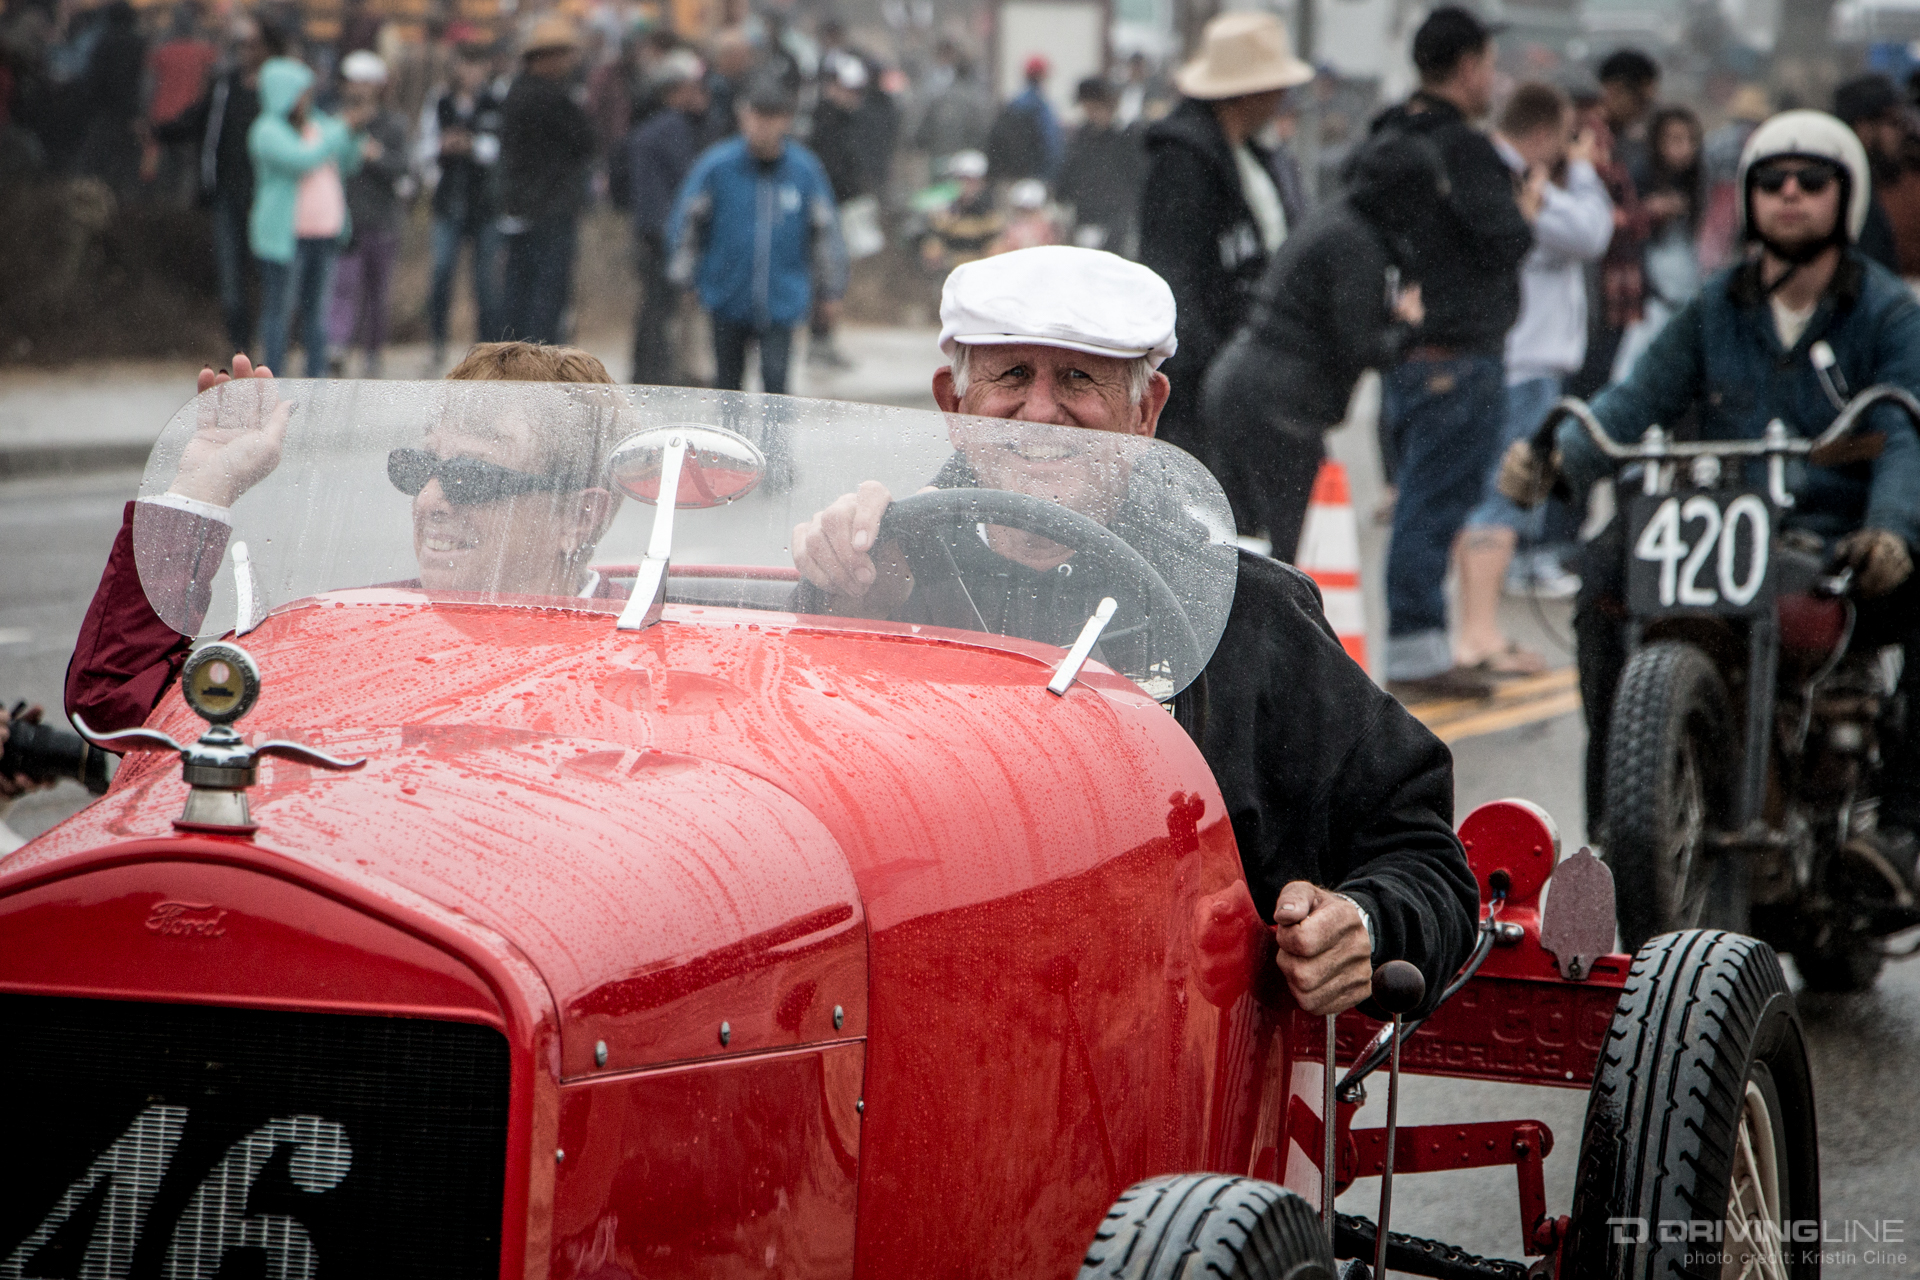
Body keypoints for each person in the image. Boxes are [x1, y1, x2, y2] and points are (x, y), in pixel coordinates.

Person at [789, 245, 1479, 1017]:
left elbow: (1423, 858)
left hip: (1162, 1055)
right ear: (954, 405)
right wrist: (837, 596)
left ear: (1146, 410)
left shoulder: (1246, 615)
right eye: (1012, 375)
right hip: (917, 1033)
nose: (1042, 412)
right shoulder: (874, 582)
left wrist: (1363, 924)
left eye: (1079, 379)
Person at [1499, 110, 1920, 873]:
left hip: (1840, 538)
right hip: (1719, 523)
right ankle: (1621, 817)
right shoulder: (1715, 305)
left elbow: (1902, 430)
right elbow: (1632, 404)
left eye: (1811, 180)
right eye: (1771, 181)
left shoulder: (1888, 312)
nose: (1790, 193)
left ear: (1845, 196)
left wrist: (1892, 528)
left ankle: (1900, 826)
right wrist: (1556, 463)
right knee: (1600, 576)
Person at [66, 342, 625, 739]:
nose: (430, 501)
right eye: (420, 467)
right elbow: (117, 708)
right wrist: (202, 487)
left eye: (474, 475)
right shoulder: (361, 630)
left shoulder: (644, 672)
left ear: (579, 515)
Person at [1368, 6, 1533, 702]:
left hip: (1407, 353)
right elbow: (1508, 239)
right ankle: (1416, 651)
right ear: (1466, 68)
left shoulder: (1386, 135)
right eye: (1489, 65)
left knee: (1420, 499)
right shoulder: (1464, 148)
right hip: (1459, 356)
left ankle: (1418, 644)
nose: (1493, 80)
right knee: (1434, 507)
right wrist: (1522, 201)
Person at [1200, 130, 1439, 559]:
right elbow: (1358, 344)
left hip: (1246, 387)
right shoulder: (1357, 242)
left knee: (1240, 544)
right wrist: (1411, 328)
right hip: (1276, 403)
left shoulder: (1339, 221)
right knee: (1294, 545)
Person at [1452, 82, 1612, 675]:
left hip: (1515, 359)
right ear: (1546, 132)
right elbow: (1594, 232)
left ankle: (1475, 631)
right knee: (1504, 497)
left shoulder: (1507, 178)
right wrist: (1585, 171)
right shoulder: (1523, 182)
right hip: (1526, 364)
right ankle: (1479, 635)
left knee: (1490, 496)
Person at [1136, 10, 1312, 486]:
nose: (1282, 98)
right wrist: (1211, 372)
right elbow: (1174, 277)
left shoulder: (1255, 154)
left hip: (1255, 373)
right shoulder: (1183, 162)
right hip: (1207, 384)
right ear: (1250, 91)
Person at [667, 75, 846, 395]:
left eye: (772, 117)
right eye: (756, 115)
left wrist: (830, 291)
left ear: (786, 120)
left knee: (776, 387)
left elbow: (825, 234)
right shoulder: (716, 167)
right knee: (727, 390)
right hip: (726, 295)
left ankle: (773, 447)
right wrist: (685, 279)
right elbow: (687, 224)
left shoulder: (805, 171)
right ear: (742, 115)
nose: (762, 125)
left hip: (782, 300)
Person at [154, 15, 280, 354]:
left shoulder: (277, 91)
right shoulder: (225, 87)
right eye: (241, 45)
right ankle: (240, 345)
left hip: (266, 199)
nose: (245, 52)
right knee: (230, 277)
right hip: (227, 195)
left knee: (267, 278)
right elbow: (197, 120)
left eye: (252, 45)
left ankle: (273, 345)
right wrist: (158, 131)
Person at [248, 55, 368, 379]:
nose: (306, 100)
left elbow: (350, 161)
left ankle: (317, 379)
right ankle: (272, 376)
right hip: (285, 239)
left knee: (318, 312)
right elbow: (302, 159)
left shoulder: (319, 125)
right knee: (280, 311)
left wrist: (354, 133)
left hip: (324, 234)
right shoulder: (266, 131)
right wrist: (342, 129)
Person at [497, 16, 597, 345]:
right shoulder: (550, 98)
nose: (570, 62)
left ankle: (515, 355)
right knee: (545, 294)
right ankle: (539, 361)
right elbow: (587, 139)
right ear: (545, 57)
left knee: (519, 290)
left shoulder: (516, 93)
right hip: (549, 210)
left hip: (524, 208)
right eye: (564, 54)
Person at [420, 37, 505, 366]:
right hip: (449, 200)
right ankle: (437, 340)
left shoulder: (494, 102)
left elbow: (501, 147)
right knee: (442, 272)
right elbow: (424, 147)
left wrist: (472, 146)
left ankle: (487, 347)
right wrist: (444, 146)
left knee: (485, 282)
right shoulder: (439, 101)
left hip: (484, 202)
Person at [626, 48, 707, 386]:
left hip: (648, 229)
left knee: (652, 306)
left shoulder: (647, 128)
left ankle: (647, 369)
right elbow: (684, 181)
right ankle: (656, 373)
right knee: (661, 307)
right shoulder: (672, 129)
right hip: (663, 232)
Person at [326, 51, 407, 377]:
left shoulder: (393, 124)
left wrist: (376, 156)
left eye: (365, 82)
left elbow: (402, 168)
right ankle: (338, 346)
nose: (358, 89)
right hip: (343, 219)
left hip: (382, 219)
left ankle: (373, 352)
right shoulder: (334, 121)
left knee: (377, 292)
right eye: (353, 82)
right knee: (343, 286)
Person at [1611, 104, 1703, 381]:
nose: (1684, 148)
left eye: (1690, 140)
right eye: (1675, 140)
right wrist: (1648, 214)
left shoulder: (1698, 183)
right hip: (1650, 300)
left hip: (1688, 299)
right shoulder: (1640, 178)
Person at [1056, 77, 1142, 254]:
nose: (1090, 114)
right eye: (1086, 109)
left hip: (1116, 219)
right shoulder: (1080, 137)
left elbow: (1135, 179)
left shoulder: (1125, 138)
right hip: (1085, 217)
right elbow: (1068, 174)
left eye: (1094, 108)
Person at [1832, 74, 1907, 273]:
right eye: (1893, 122)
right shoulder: (1837, 193)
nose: (1901, 133)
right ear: (1862, 127)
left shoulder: (1874, 186)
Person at [985, 54, 1060, 183]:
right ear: (1043, 75)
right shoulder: (1041, 107)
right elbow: (1051, 146)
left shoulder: (1012, 105)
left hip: (1009, 178)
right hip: (1034, 178)